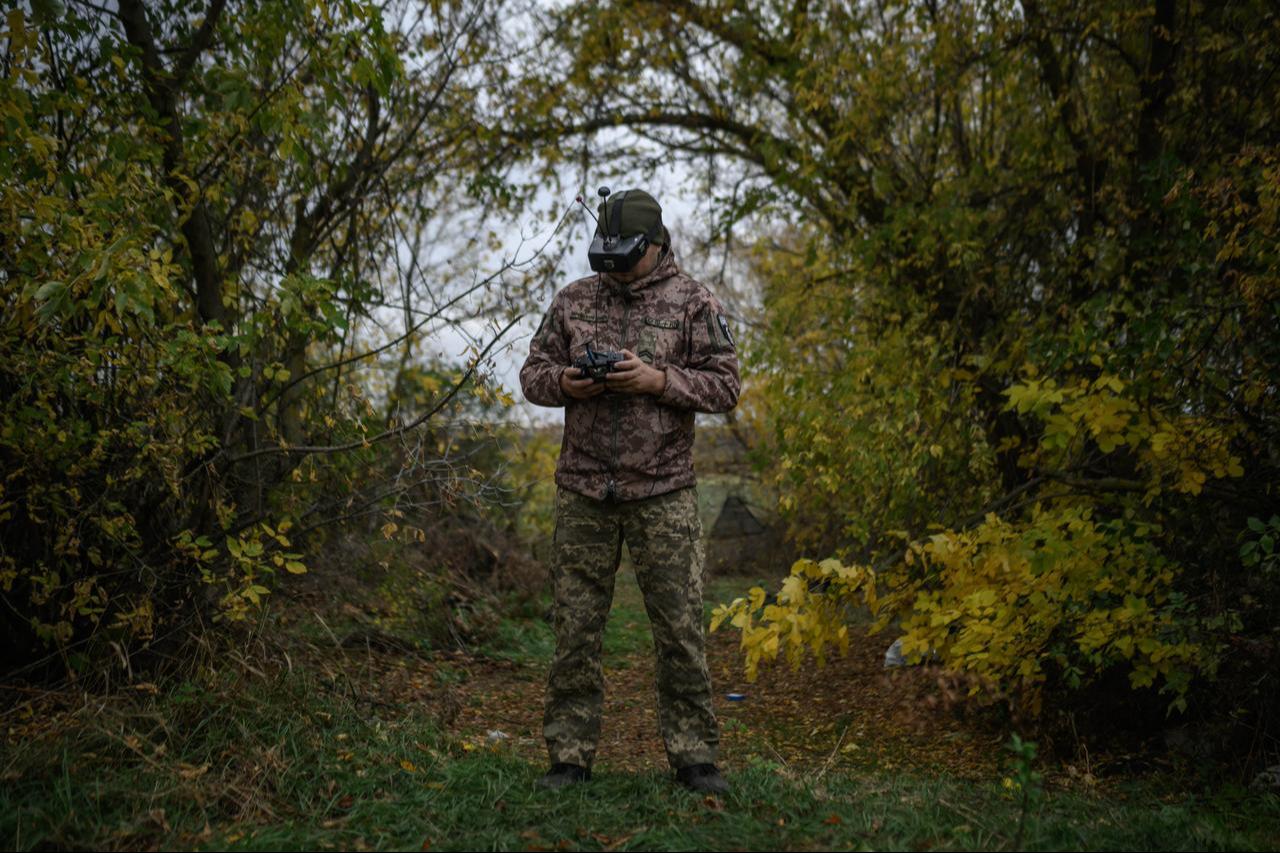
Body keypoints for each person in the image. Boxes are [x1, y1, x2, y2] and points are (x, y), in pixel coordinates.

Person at [519, 188, 740, 794]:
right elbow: (531, 375)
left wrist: (655, 379)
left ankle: (695, 759)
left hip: (663, 491)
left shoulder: (695, 301)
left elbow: (725, 387)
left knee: (680, 630)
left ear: (656, 245)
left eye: (625, 255)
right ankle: (569, 758)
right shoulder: (573, 300)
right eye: (604, 255)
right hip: (584, 489)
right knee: (575, 631)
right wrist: (566, 381)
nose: (612, 267)